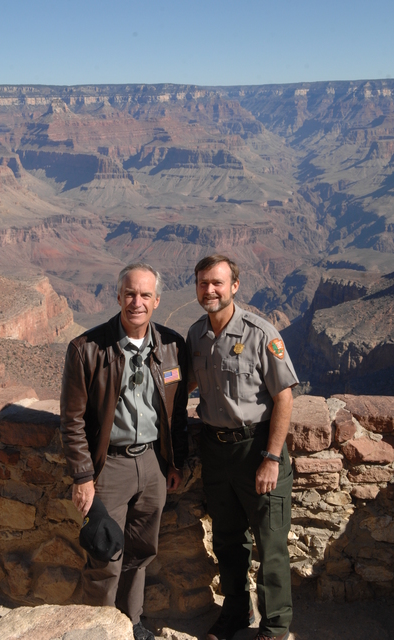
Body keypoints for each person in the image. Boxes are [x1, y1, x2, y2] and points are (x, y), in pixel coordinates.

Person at [60, 263, 188, 640]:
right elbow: (72, 420)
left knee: (141, 553)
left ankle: (131, 626)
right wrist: (83, 477)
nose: (137, 302)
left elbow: (176, 411)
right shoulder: (86, 349)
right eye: (130, 294)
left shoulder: (171, 346)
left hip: (152, 465)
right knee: (104, 557)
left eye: (145, 295)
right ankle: (98, 632)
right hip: (108, 468)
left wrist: (175, 462)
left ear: (157, 301)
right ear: (118, 297)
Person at [187, 255, 298, 640]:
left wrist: (270, 458)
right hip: (216, 452)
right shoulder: (196, 335)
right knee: (228, 541)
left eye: (217, 283)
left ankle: (275, 626)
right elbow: (182, 385)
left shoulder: (260, 332)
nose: (210, 290)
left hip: (258, 449)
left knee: (270, 545)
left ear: (235, 286)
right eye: (203, 283)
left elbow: (284, 397)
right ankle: (236, 613)